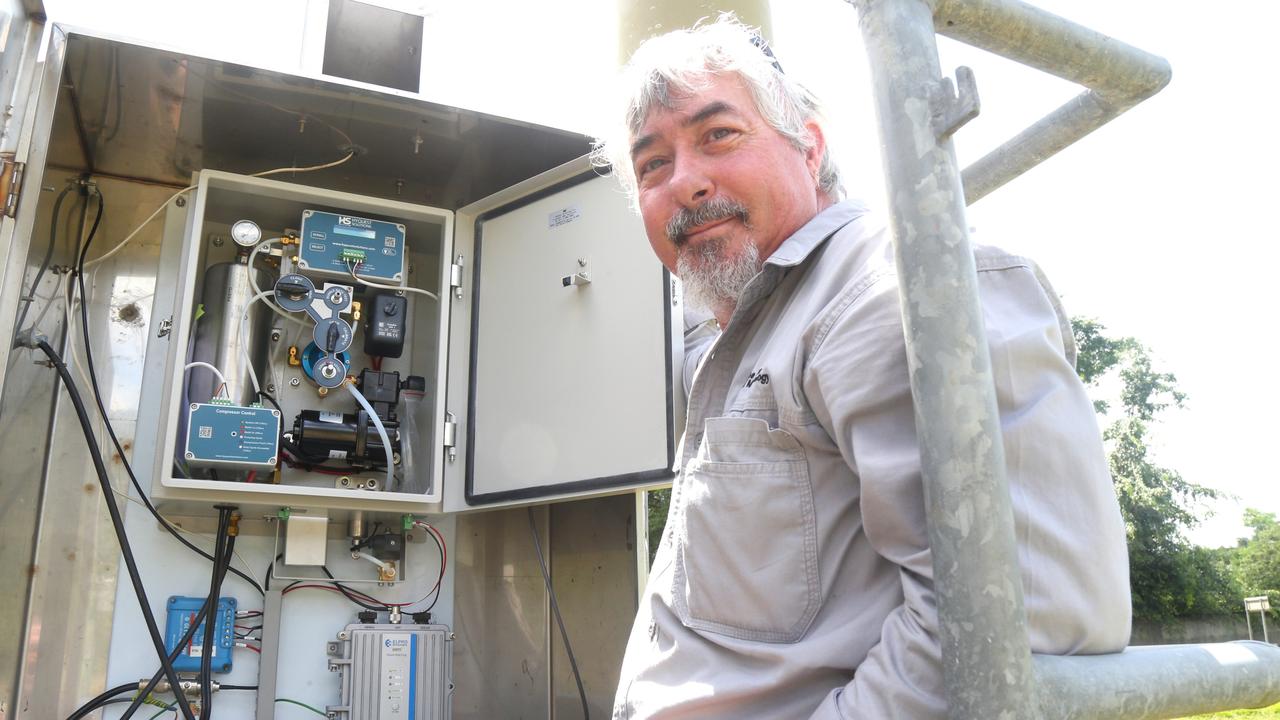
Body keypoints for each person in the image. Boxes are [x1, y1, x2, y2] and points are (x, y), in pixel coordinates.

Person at [592, 15, 1132, 720]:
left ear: (809, 148)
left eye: (718, 134)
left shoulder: (893, 288)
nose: (686, 182)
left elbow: (1032, 616)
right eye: (652, 164)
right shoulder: (744, 333)